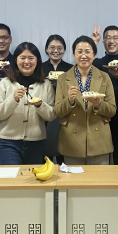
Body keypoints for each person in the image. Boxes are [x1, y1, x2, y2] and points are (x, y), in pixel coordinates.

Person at [0, 42, 56, 234]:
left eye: (31, 58)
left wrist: (39, 104)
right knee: (13, 191)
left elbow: (51, 114)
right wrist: (13, 99)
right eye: (22, 58)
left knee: (33, 191)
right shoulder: (5, 83)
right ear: (15, 61)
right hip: (8, 141)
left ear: (37, 61)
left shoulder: (45, 84)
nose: (26, 62)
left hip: (35, 142)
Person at [55, 35, 117, 234]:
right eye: (79, 51)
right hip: (72, 141)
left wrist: (99, 104)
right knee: (73, 192)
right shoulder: (64, 78)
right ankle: (75, 232)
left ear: (94, 54)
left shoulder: (104, 77)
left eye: (88, 51)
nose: (83, 55)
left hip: (99, 142)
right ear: (73, 54)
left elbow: (112, 110)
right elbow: (57, 111)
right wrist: (70, 101)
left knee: (97, 192)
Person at [90, 24, 118, 165]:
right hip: (99, 113)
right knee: (98, 155)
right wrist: (94, 43)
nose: (111, 41)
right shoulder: (96, 63)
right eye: (108, 38)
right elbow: (82, 66)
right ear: (103, 42)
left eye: (116, 38)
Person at [41, 35, 72, 165]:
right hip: (44, 109)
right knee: (45, 148)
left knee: (63, 147)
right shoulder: (39, 67)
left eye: (59, 48)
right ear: (46, 49)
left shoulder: (71, 68)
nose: (56, 51)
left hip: (64, 110)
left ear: (64, 50)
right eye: (52, 47)